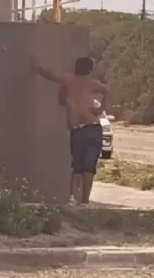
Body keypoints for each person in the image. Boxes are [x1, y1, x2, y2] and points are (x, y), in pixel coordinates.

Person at [32, 56, 111, 206]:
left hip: (77, 129)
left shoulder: (68, 80)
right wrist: (100, 110)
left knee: (77, 166)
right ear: (89, 69)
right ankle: (85, 202)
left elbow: (50, 75)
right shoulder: (91, 83)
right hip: (93, 127)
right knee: (89, 167)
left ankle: (73, 198)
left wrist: (37, 67)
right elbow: (108, 92)